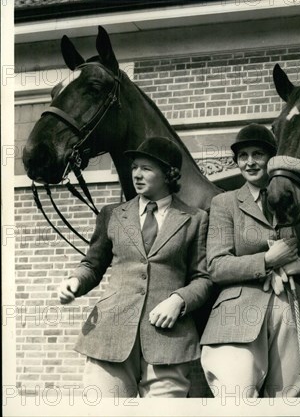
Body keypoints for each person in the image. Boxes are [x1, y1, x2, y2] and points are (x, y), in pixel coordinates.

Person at [57, 136, 212, 398]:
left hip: (168, 342)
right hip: (109, 336)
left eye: (146, 169)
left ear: (168, 174)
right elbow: (92, 265)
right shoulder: (112, 214)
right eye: (134, 168)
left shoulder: (195, 219)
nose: (137, 175)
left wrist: (179, 300)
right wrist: (75, 281)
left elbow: (204, 278)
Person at [200, 123, 300, 398]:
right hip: (237, 317)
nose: (249, 162)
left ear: (272, 160)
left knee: (288, 404)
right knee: (235, 400)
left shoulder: (298, 200)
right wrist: (267, 260)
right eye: (243, 156)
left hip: (294, 314)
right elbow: (217, 266)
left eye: (257, 154)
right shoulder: (225, 203)